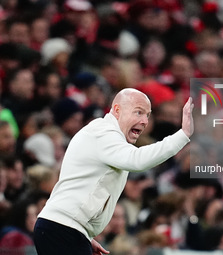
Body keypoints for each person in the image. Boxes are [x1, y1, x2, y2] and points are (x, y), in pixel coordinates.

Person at [33, 88, 194, 255]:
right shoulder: (104, 132)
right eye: (138, 112)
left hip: (65, 228)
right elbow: (137, 160)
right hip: (62, 229)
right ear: (117, 110)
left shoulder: (105, 135)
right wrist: (182, 135)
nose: (145, 121)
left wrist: (84, 236)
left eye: (148, 115)